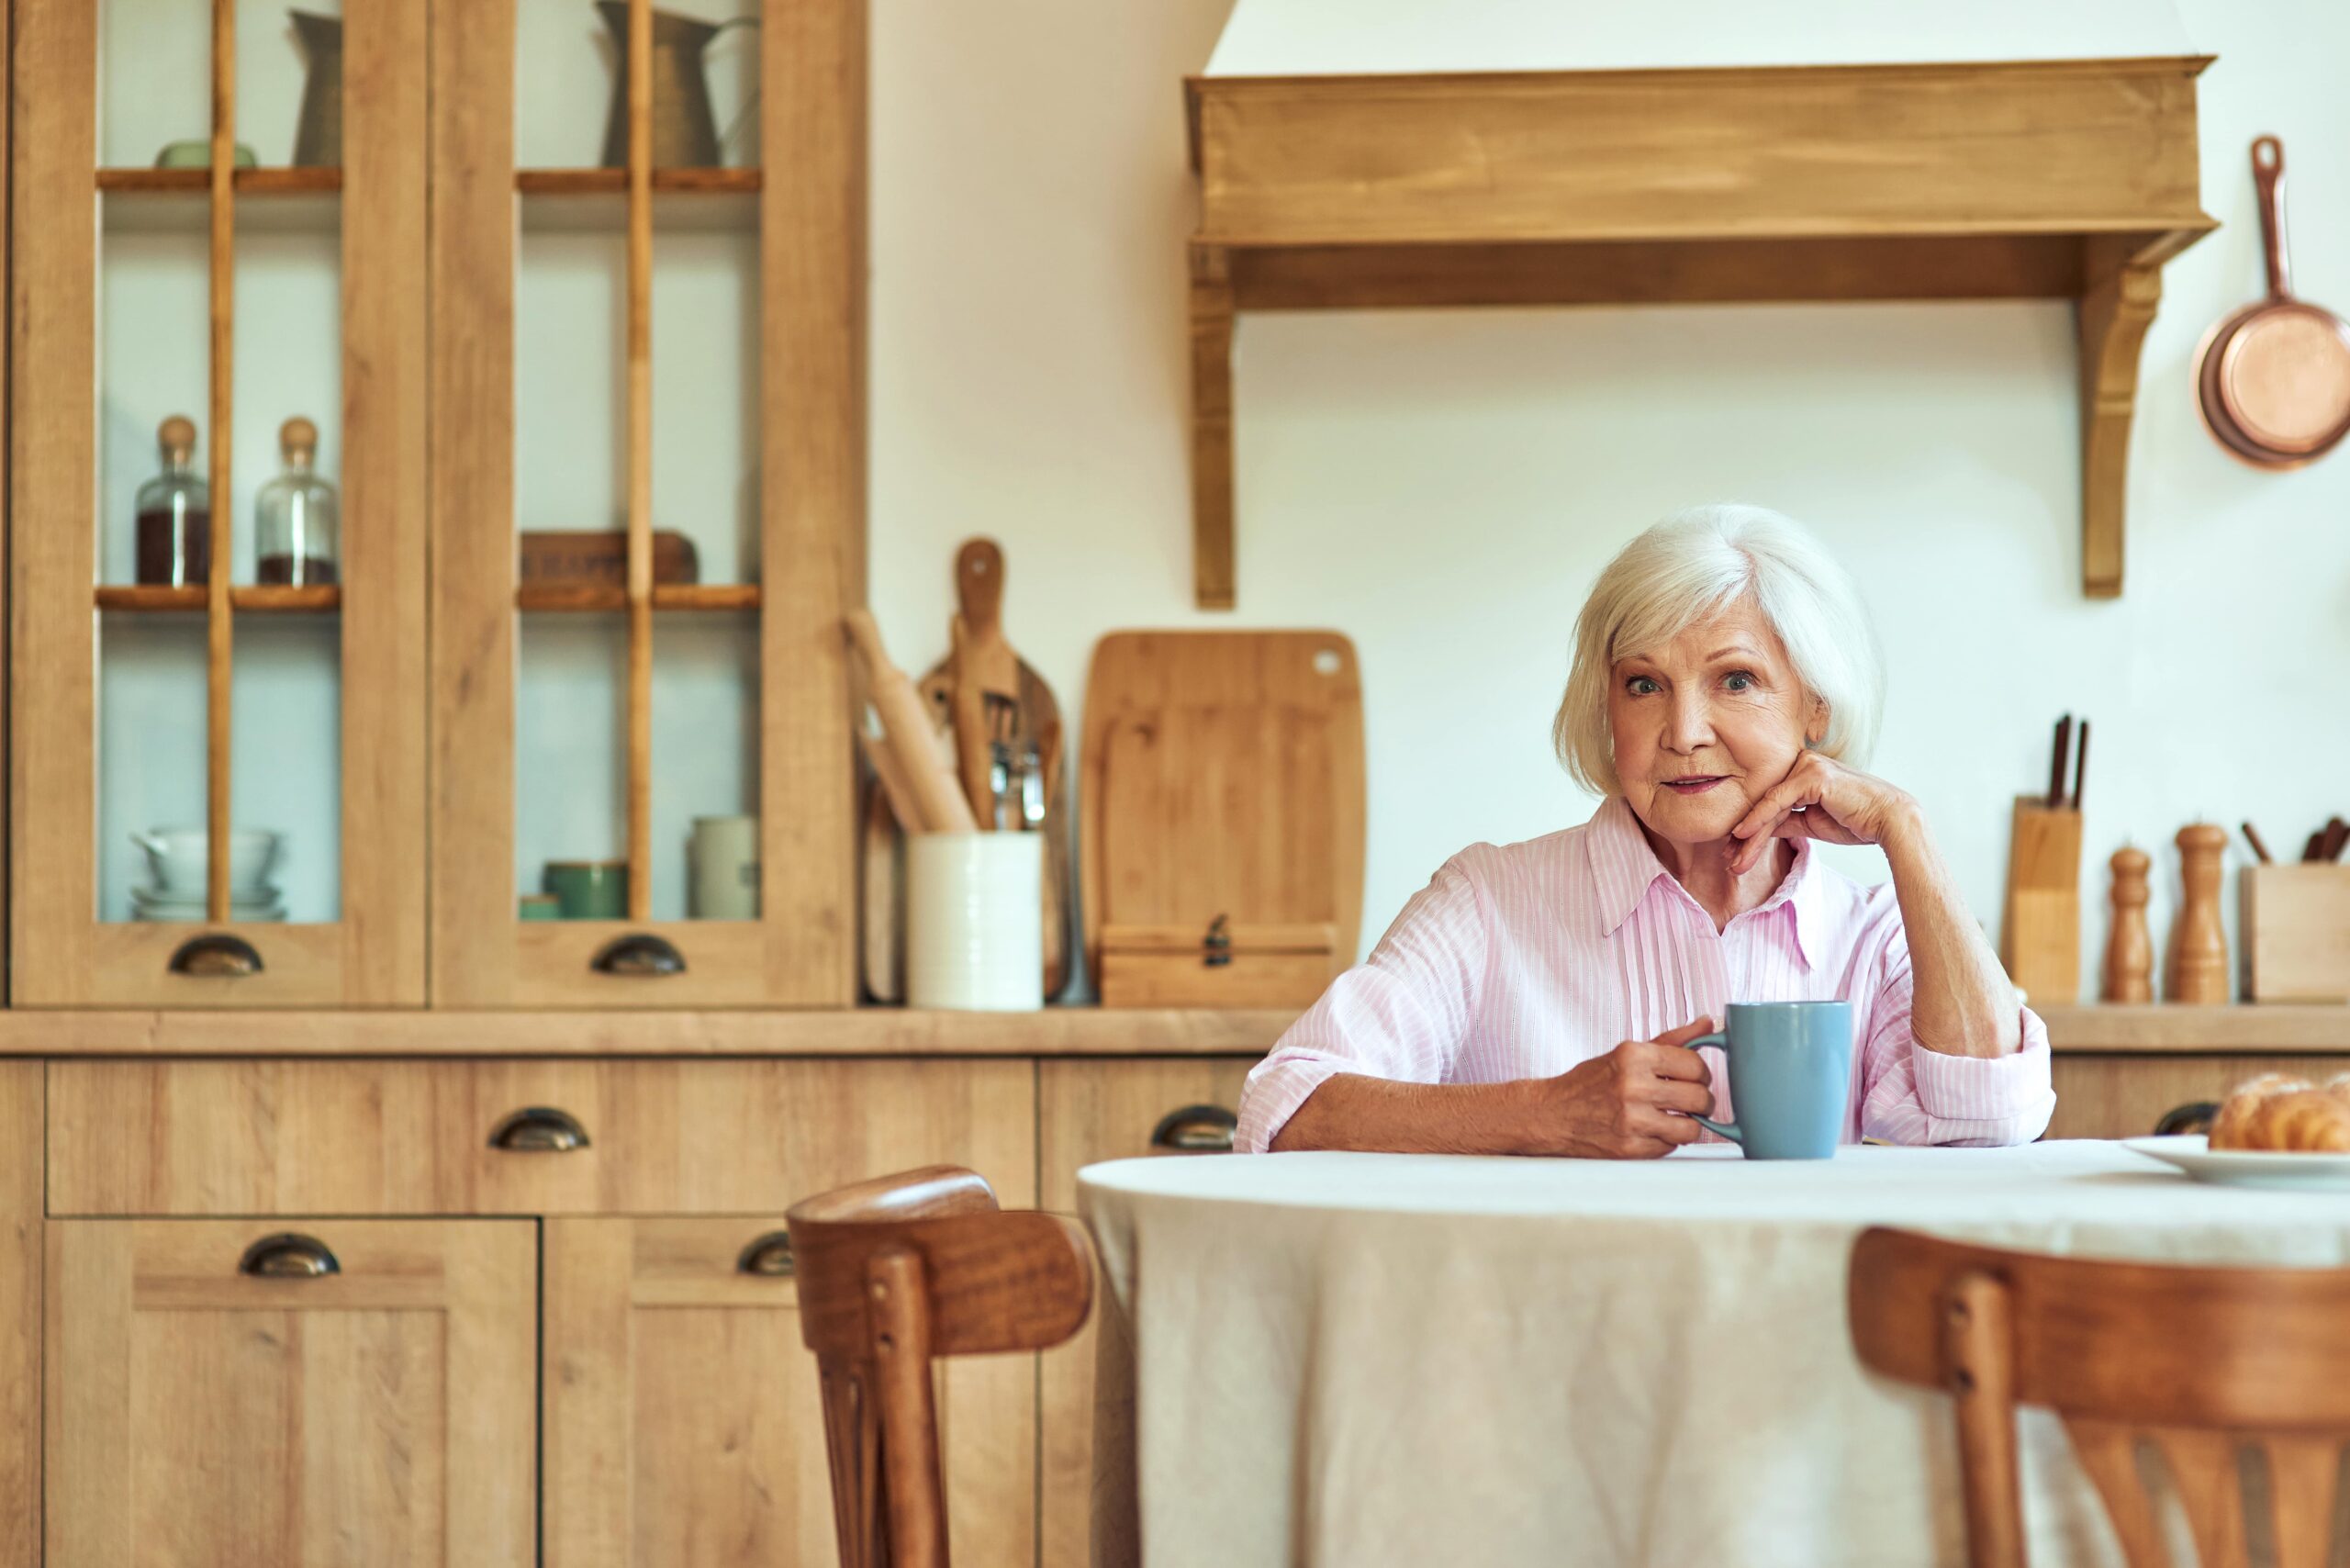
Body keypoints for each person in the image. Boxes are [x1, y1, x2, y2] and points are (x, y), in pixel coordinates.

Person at [1237, 504, 2053, 1157]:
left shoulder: (1875, 935)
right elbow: (1288, 1105)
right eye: (1644, 685)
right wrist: (1544, 1114)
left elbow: (1993, 1115)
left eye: (1736, 680)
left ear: (1816, 709)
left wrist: (1905, 828)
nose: (1684, 731)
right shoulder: (1487, 899)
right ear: (1607, 708)